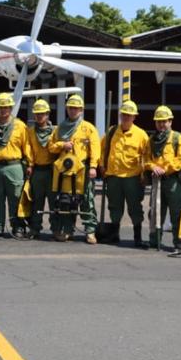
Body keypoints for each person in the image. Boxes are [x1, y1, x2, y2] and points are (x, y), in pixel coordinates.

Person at [48, 93, 101, 243]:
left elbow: (95, 149)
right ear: (67, 109)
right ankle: (67, 230)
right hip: (65, 171)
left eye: (76, 108)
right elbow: (51, 147)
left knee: (86, 200)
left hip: (82, 169)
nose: (73, 111)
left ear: (81, 110)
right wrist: (62, 145)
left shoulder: (88, 128)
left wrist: (93, 167)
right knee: (66, 201)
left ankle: (90, 231)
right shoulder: (60, 128)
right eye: (71, 108)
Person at [100, 100, 153, 248]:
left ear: (134, 117)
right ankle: (114, 235)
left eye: (129, 116)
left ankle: (137, 238)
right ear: (120, 115)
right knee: (114, 207)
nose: (126, 118)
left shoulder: (141, 135)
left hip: (132, 178)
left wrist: (144, 174)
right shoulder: (111, 132)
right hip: (114, 177)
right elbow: (103, 150)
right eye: (124, 115)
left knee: (135, 208)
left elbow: (147, 156)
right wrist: (101, 166)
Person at [0, 92, 31, 238]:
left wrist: (30, 164)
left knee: (16, 198)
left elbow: (27, 146)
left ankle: (18, 227)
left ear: (11, 108)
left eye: (6, 107)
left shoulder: (20, 126)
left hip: (14, 165)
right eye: (0, 107)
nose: (3, 110)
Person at [147, 105, 181, 252]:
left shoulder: (178, 139)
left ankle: (178, 242)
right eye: (159, 121)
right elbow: (145, 159)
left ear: (170, 121)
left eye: (165, 121)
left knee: (176, 212)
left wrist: (165, 169)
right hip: (156, 180)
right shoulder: (151, 140)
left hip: (173, 181)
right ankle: (154, 240)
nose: (162, 124)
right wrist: (152, 167)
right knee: (155, 211)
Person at [23, 99, 56, 240]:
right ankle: (35, 228)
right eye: (37, 114)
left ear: (48, 114)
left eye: (42, 113)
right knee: (36, 201)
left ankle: (56, 229)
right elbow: (28, 149)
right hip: (37, 171)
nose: (39, 116)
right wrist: (30, 165)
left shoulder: (55, 131)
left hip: (52, 171)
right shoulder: (30, 132)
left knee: (54, 201)